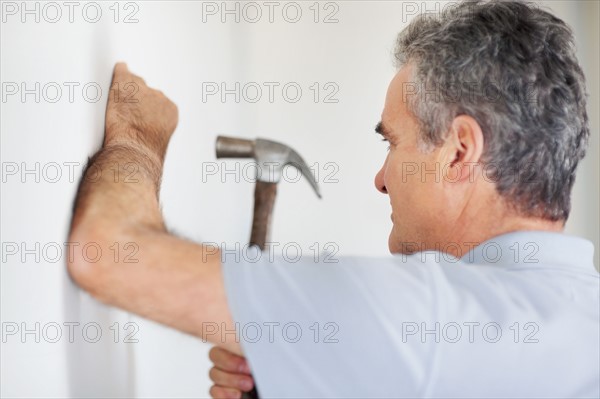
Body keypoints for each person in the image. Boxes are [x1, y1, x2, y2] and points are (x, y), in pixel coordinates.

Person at [67, 0, 598, 398]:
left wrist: (137, 140)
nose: (381, 180)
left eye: (391, 141)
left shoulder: (429, 316)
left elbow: (107, 255)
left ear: (459, 152)